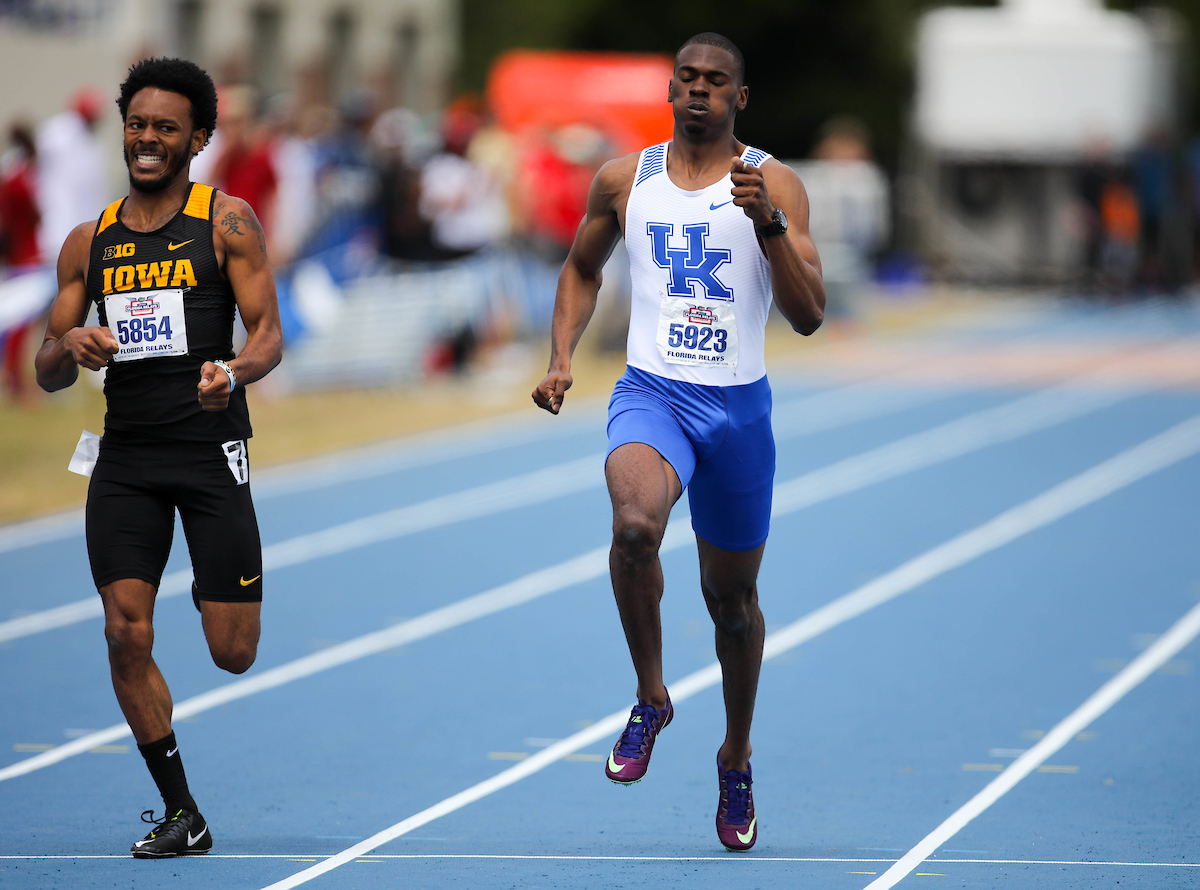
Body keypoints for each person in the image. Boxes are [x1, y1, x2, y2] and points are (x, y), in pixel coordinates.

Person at [532, 33, 824, 851]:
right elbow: (581, 268)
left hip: (737, 410)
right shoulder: (626, 180)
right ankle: (652, 696)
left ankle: (735, 755)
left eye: (717, 81)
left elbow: (809, 313)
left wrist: (765, 220)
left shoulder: (778, 184)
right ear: (670, 90)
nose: (700, 91)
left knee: (732, 604)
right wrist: (560, 357)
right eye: (687, 79)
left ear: (740, 97)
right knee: (634, 529)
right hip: (652, 394)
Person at [34, 58, 282, 858]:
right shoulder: (90, 239)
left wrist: (233, 373)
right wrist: (69, 342)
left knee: (232, 650)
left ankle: (217, 584)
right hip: (126, 461)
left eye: (166, 127)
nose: (147, 139)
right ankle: (184, 812)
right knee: (122, 632)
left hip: (211, 454)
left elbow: (270, 337)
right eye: (137, 123)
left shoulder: (228, 223)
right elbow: (43, 364)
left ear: (197, 139)